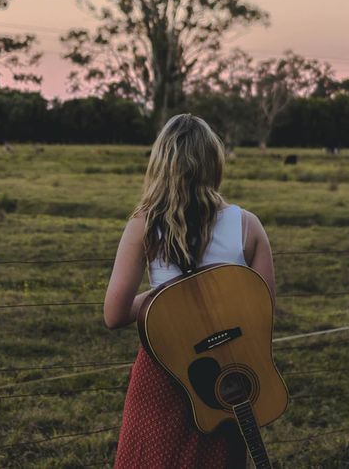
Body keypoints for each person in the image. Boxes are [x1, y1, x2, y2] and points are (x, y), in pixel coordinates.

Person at [104, 113, 277, 469]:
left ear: (161, 163)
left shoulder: (144, 224)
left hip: (163, 368)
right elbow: (263, 314)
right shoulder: (247, 226)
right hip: (226, 376)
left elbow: (115, 314)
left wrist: (165, 298)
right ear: (214, 163)